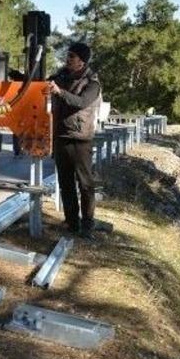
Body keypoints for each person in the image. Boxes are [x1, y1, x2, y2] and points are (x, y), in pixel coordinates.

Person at [48, 42, 101, 239]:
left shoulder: (92, 83)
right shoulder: (62, 76)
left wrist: (59, 92)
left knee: (85, 184)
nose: (67, 59)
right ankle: (72, 223)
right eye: (67, 55)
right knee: (65, 183)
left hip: (80, 140)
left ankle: (88, 225)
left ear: (82, 61)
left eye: (71, 56)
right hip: (61, 137)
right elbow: (38, 83)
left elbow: (80, 102)